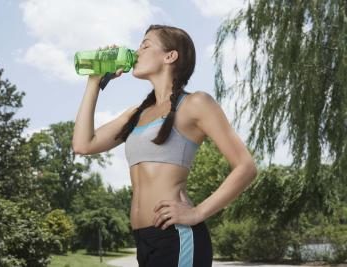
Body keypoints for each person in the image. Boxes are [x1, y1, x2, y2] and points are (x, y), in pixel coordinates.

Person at [72, 24, 257, 267]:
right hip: (144, 240)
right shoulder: (135, 114)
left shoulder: (195, 103)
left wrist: (197, 213)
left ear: (170, 56)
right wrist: (94, 82)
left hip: (177, 236)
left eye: (145, 45)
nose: (137, 52)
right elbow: (83, 144)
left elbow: (246, 167)